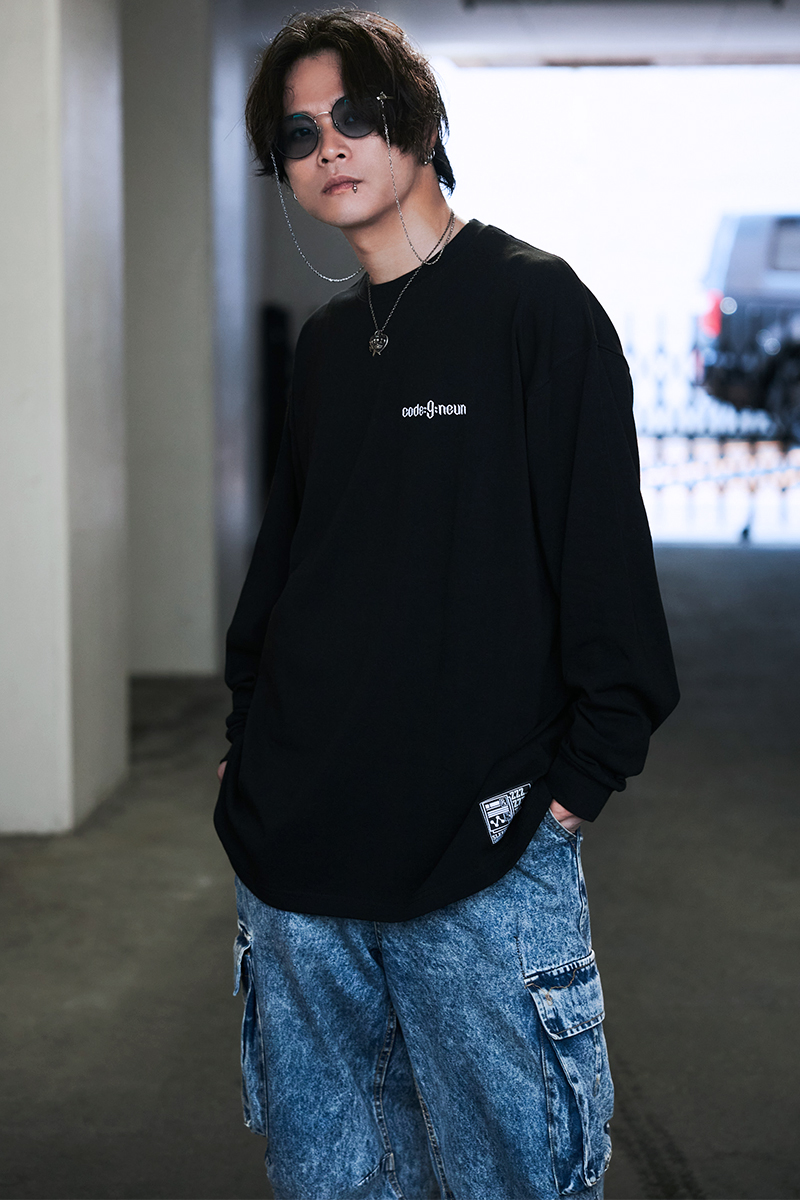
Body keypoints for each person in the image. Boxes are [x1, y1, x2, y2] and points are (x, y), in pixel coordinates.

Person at [214, 11, 679, 1199]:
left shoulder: (535, 308)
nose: (328, 146)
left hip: (480, 854)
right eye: (298, 134)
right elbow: (291, 568)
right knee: (333, 1184)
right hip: (299, 861)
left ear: (418, 124)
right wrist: (247, 746)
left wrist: (571, 788)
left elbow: (606, 577)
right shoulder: (327, 346)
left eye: (354, 116)